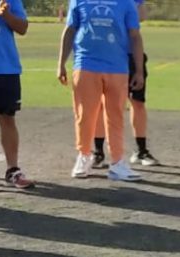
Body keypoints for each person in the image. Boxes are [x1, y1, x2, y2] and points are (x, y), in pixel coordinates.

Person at [58, 0, 145, 181]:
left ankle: (117, 162)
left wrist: (138, 70)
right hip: (85, 64)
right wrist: (61, 64)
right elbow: (70, 30)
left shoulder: (126, 3)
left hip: (118, 67)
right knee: (85, 114)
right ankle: (84, 155)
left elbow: (135, 35)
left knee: (115, 116)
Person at [91, 0, 157, 170]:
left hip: (130, 54)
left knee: (137, 101)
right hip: (106, 53)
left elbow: (142, 16)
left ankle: (141, 150)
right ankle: (98, 152)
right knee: (100, 104)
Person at [0, 0, 34, 189]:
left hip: (5, 68)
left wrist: (6, 16)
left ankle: (13, 170)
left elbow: (23, 28)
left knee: (7, 118)